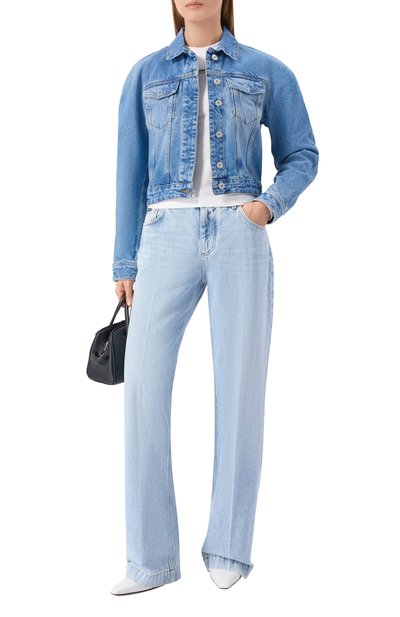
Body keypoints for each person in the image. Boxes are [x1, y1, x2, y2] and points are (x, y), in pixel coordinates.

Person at [111, 0, 319, 595]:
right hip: (164, 233)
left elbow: (303, 154)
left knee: (240, 389)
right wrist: (124, 260)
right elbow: (129, 171)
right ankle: (149, 560)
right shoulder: (145, 73)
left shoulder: (266, 69)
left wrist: (267, 206)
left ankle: (229, 546)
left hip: (239, 232)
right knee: (143, 392)